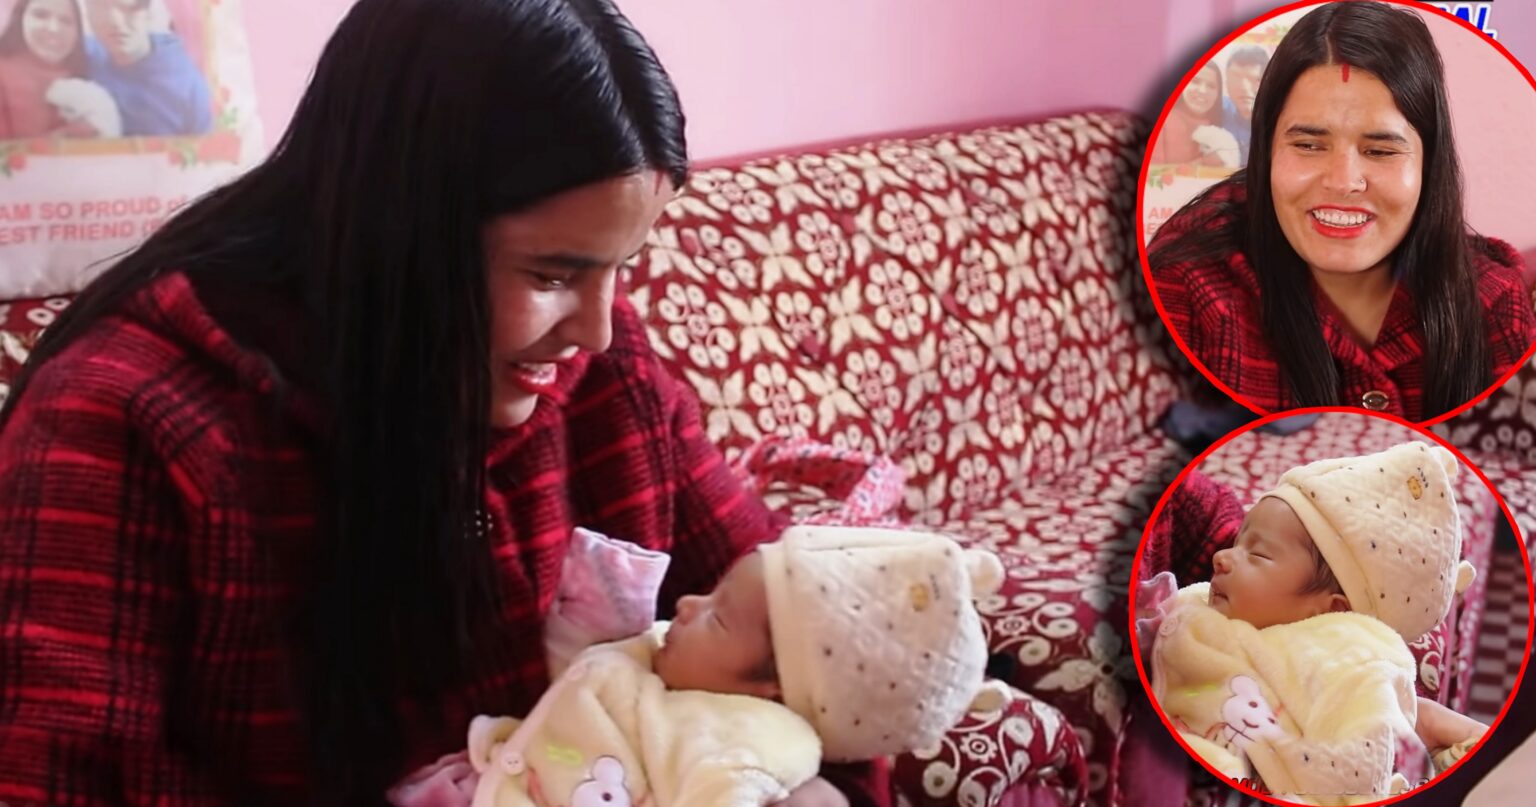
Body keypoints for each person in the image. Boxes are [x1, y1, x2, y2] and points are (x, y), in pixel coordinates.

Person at [0, 1, 883, 804]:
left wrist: (823, 790)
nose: (598, 330)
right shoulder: (126, 425)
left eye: (623, 267)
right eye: (551, 274)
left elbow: (823, 652)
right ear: (395, 233)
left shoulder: (608, 378)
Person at [389, 526, 1007, 807]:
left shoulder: (747, 747)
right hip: (492, 774)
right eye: (710, 592)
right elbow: (591, 660)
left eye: (718, 617)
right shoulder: (673, 660)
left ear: (775, 691)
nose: (685, 604)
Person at [1148, 1, 1536, 423]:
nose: (1343, 181)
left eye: (1380, 151)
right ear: (1266, 151)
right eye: (1308, 145)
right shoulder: (1185, 289)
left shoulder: (1492, 302)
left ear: (1429, 165)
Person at [1138, 444, 1488, 801]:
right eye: (1237, 543)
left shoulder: (1349, 662)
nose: (1221, 557)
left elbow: (1369, 757)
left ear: (1330, 611)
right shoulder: (1204, 602)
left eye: (1256, 553)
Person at [81, 0, 210, 135]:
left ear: (149, 14)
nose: (115, 21)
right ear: (88, 14)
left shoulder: (189, 84)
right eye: (101, 6)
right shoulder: (81, 56)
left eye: (129, 8)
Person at [0, 0, 89, 137]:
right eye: (41, 15)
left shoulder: (88, 73)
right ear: (20, 18)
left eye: (66, 20)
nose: (54, 29)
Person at [1150, 61, 1235, 167]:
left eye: (1211, 86)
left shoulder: (1222, 126)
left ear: (1218, 94)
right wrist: (1202, 163)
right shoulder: (1162, 121)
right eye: (1195, 81)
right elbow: (1152, 173)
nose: (1203, 91)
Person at [1220, 45, 1269, 165]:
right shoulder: (1216, 109)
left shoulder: (1281, 120)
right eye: (1236, 78)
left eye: (1255, 79)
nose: (1244, 87)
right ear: (1226, 83)